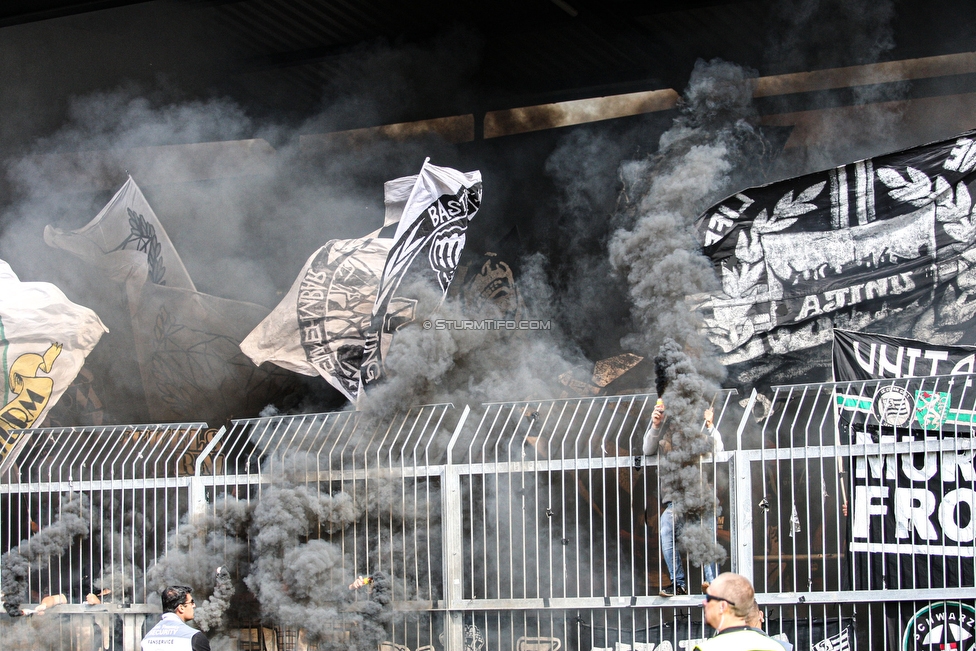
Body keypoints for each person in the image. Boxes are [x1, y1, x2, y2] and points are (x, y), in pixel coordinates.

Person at [643, 400, 723, 596]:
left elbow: (718, 448)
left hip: (699, 499)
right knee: (666, 529)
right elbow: (646, 449)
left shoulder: (699, 437)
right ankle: (678, 583)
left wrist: (710, 425)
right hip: (675, 501)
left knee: (705, 537)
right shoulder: (664, 440)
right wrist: (655, 425)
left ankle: (712, 584)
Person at [693, 572, 784, 651]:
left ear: (723, 606)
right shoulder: (776, 647)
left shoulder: (708, 648)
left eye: (709, 599)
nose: (704, 603)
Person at [141, 586, 210, 651]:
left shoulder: (147, 638)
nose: (194, 605)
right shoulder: (194, 637)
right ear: (181, 608)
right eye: (191, 602)